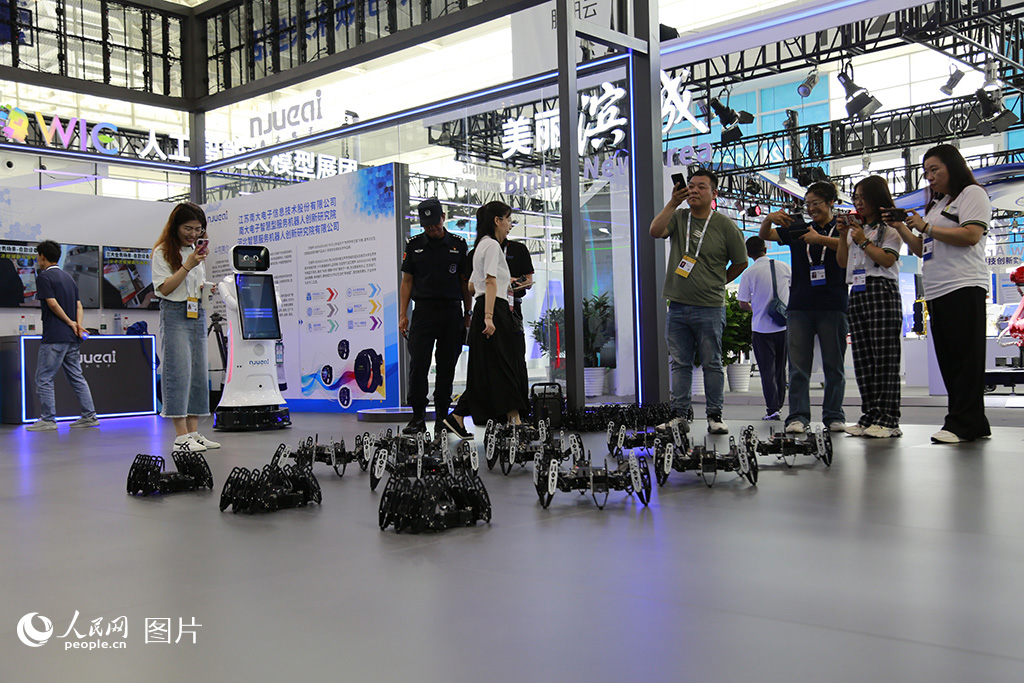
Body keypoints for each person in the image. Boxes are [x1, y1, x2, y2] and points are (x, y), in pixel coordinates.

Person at [890, 144, 991, 443]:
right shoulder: (937, 204)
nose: (930, 177)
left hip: (963, 284)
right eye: (926, 172)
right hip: (937, 290)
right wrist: (902, 227)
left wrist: (927, 227)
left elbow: (971, 235)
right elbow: (923, 249)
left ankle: (961, 423)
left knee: (965, 359)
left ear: (953, 167)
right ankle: (973, 422)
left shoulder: (972, 194)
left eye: (935, 169)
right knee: (949, 359)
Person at [650, 169, 747, 434]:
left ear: (714, 193)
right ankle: (678, 415)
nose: (693, 190)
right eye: (690, 186)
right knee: (680, 363)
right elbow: (655, 231)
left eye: (701, 187)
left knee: (712, 363)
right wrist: (673, 202)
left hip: (710, 307)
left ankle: (715, 416)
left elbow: (741, 261)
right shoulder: (679, 217)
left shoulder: (725, 225)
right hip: (677, 304)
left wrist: (718, 282)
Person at [759, 181, 848, 434]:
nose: (811, 208)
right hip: (799, 305)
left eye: (816, 203)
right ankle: (798, 416)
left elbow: (849, 248)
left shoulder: (841, 227)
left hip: (833, 303)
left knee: (834, 366)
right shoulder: (799, 228)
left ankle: (834, 416)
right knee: (798, 367)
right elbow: (766, 236)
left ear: (831, 202)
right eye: (807, 204)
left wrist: (819, 239)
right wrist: (768, 219)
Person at [443, 201, 529, 437]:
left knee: (486, 368)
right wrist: (490, 317)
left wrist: (501, 285)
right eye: (508, 219)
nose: (509, 225)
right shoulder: (491, 246)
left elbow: (473, 286)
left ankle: (459, 417)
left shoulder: (480, 245)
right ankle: (514, 420)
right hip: (494, 310)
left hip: (485, 306)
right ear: (496, 221)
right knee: (505, 364)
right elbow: (489, 281)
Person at [836, 176, 905, 438]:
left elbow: (887, 260)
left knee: (884, 358)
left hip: (882, 290)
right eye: (855, 197)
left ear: (877, 198)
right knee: (863, 359)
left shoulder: (890, 229)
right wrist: (843, 236)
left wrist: (863, 240)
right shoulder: (857, 230)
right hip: (857, 291)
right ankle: (870, 415)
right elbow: (843, 263)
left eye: (863, 197)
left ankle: (888, 419)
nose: (858, 202)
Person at [399, 198, 472, 435]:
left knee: (446, 366)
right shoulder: (414, 245)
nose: (432, 228)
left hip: (451, 312)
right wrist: (403, 314)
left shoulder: (458, 245)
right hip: (423, 312)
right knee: (418, 364)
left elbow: (464, 282)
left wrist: (468, 312)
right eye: (427, 225)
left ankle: (442, 417)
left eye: (435, 223)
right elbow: (407, 281)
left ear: (443, 218)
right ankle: (417, 417)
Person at [152, 202, 220, 452]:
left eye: (198, 229)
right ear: (175, 226)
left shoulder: (195, 251)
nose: (193, 234)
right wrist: (188, 265)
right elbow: (164, 289)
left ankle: (193, 433)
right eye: (188, 228)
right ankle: (181, 437)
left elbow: (192, 284)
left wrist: (206, 288)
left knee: (198, 374)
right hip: (174, 313)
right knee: (178, 372)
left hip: (197, 311)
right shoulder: (162, 252)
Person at [26, 240, 99, 431]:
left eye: (38, 257)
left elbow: (52, 304)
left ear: (42, 257)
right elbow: (78, 306)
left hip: (54, 336)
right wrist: (78, 325)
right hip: (72, 337)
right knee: (76, 377)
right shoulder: (68, 278)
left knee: (44, 378)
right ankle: (89, 416)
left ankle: (48, 419)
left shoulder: (44, 277)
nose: (38, 260)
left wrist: (70, 322)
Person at [738, 236, 791, 421]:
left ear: (748, 253)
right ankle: (780, 404)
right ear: (766, 249)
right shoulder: (784, 267)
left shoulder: (749, 273)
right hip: (783, 326)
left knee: (767, 371)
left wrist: (756, 308)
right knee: (780, 369)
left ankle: (772, 409)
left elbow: (742, 303)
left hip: (761, 329)